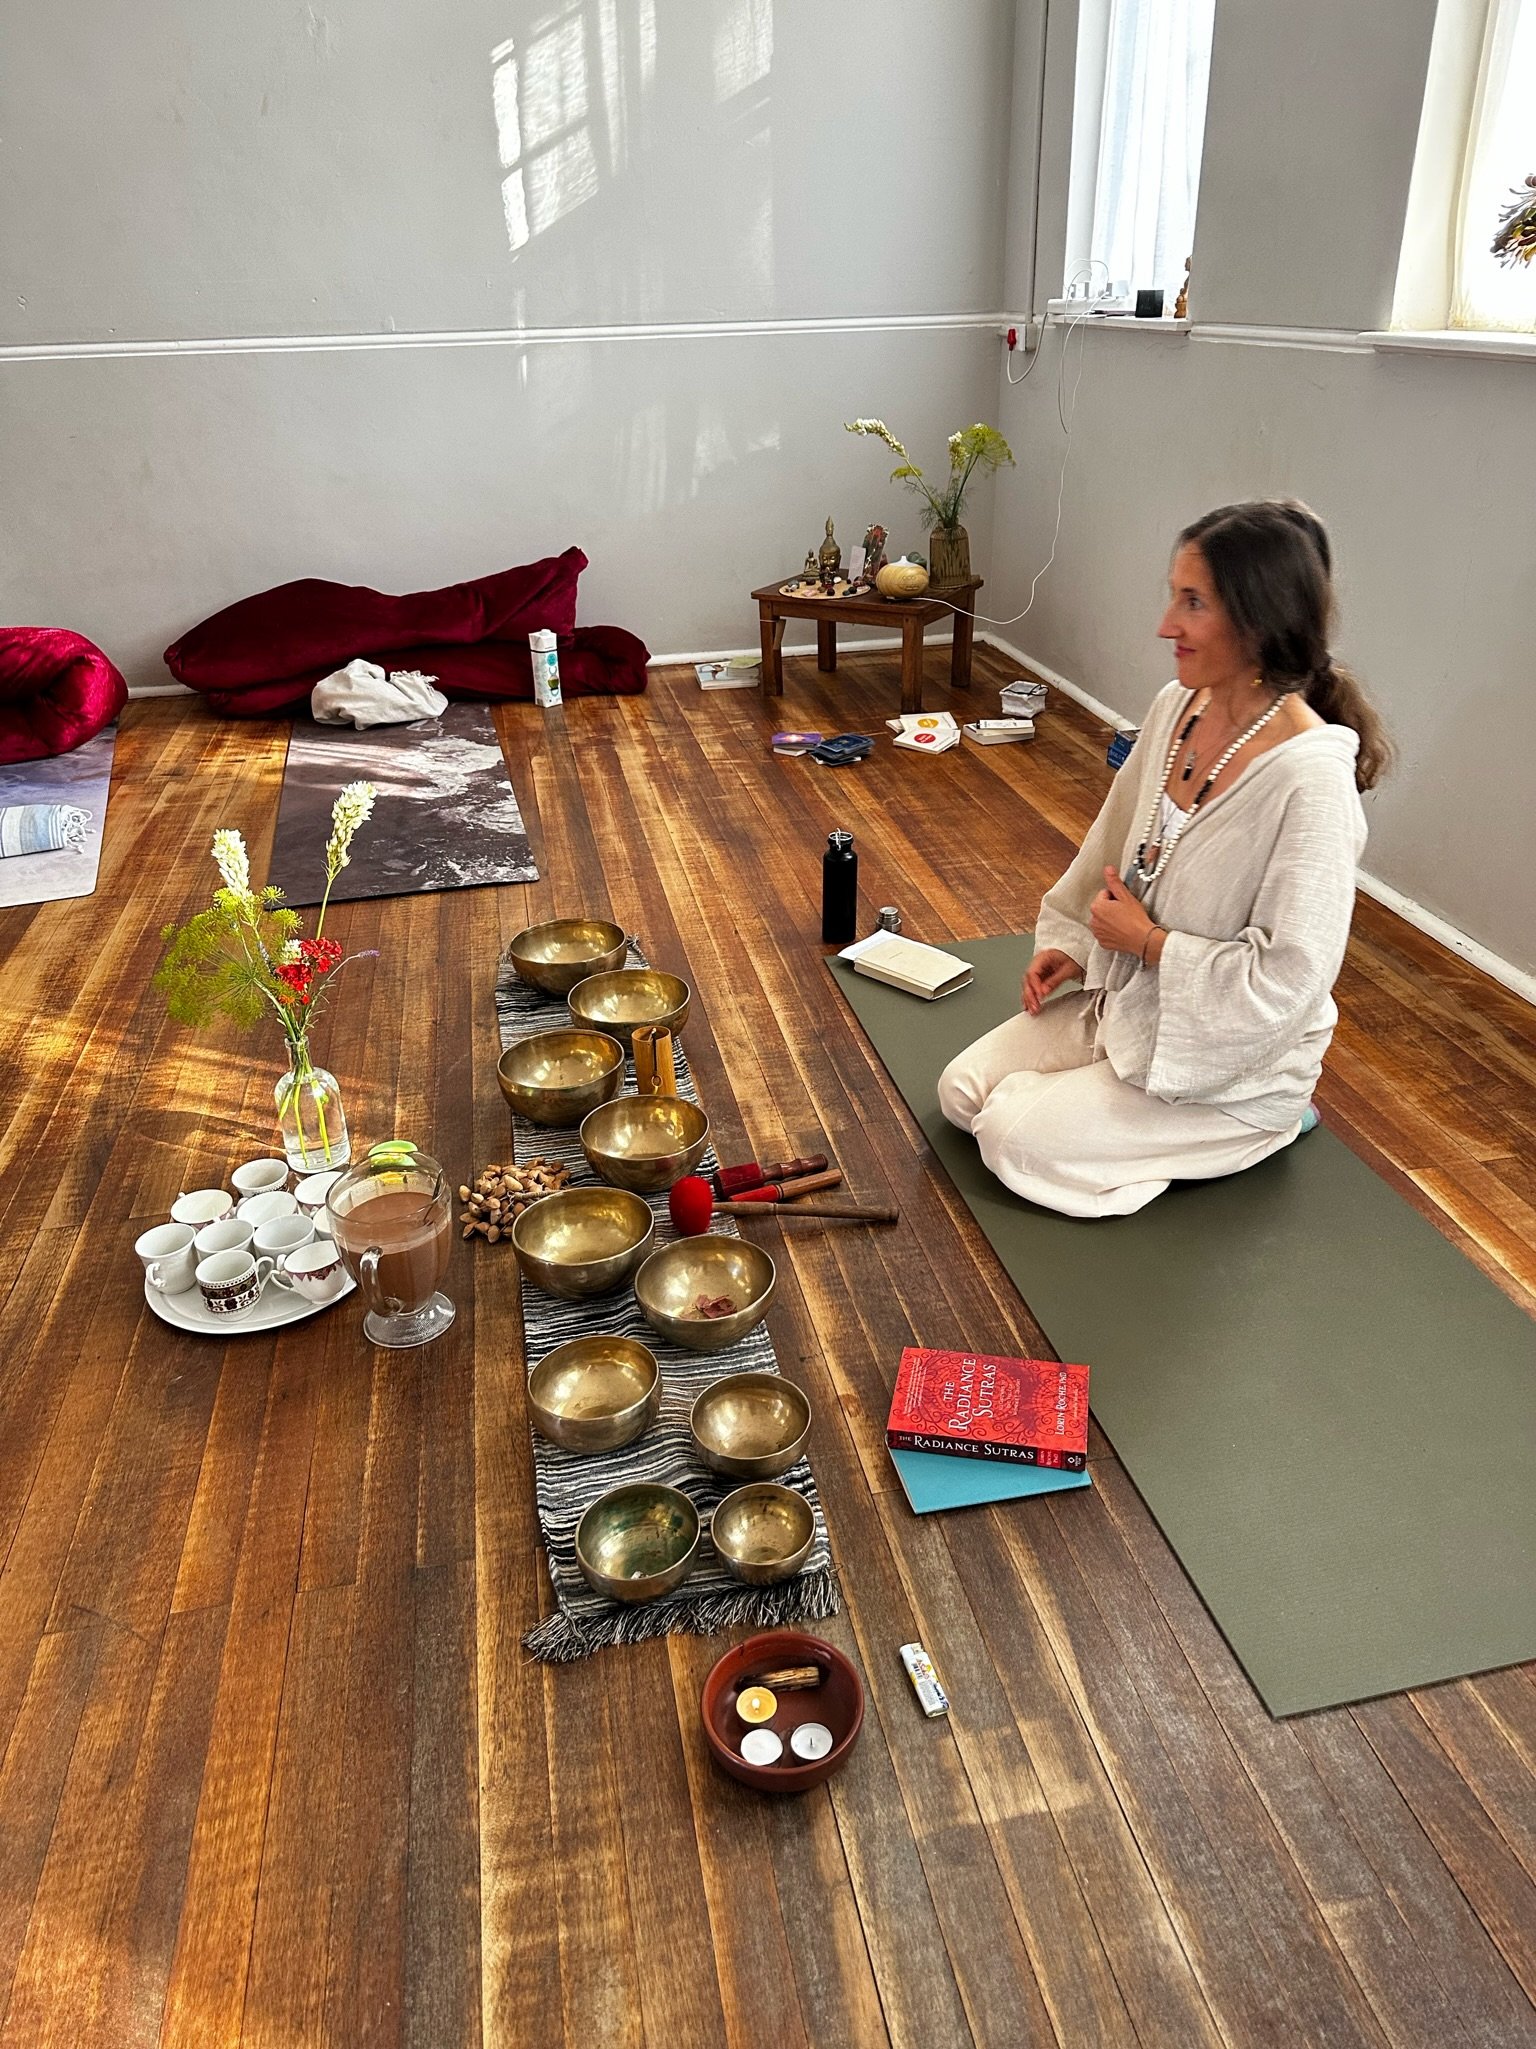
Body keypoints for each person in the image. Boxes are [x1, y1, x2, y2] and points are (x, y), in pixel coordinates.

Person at [938, 499, 1390, 1218]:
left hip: (1232, 1067)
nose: (1165, 624)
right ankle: (1114, 1124)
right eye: (1172, 595)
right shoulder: (1176, 706)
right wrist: (1079, 945)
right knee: (962, 1093)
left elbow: (1288, 981)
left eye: (1192, 602)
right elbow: (1114, 847)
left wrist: (1148, 944)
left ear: (1258, 618)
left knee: (1009, 1133)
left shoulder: (1313, 784)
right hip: (1132, 1001)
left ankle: (1263, 1128)